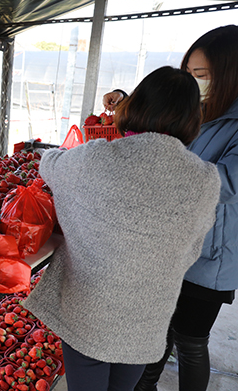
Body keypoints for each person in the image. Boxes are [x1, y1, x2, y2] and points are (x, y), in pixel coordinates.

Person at [23, 66, 221, 391]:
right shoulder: (205, 179)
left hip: (88, 313)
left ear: (137, 104)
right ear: (193, 118)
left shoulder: (98, 157)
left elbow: (51, 166)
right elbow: (190, 249)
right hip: (146, 320)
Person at [103, 26, 238, 391]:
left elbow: (228, 183)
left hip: (212, 254)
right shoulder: (200, 107)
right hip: (170, 246)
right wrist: (129, 100)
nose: (194, 83)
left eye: (202, 76)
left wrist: (161, 164)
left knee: (191, 341)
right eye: (189, 74)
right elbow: (166, 118)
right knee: (154, 335)